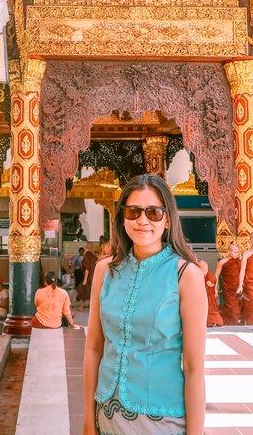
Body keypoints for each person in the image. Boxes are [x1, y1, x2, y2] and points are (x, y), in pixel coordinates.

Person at [84, 174, 206, 435]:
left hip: (162, 420)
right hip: (107, 417)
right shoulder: (105, 270)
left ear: (168, 220)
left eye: (153, 212)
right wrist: (87, 419)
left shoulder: (185, 275)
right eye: (133, 211)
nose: (142, 220)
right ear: (122, 218)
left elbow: (194, 367)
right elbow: (94, 347)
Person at [215, 242, 242, 325]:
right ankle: (231, 323)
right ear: (229, 252)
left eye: (238, 252)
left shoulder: (239, 261)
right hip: (228, 288)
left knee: (237, 307)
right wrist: (215, 288)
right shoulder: (222, 262)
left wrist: (241, 285)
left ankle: (231, 322)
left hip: (238, 287)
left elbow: (242, 273)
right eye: (235, 252)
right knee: (231, 307)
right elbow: (216, 275)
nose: (236, 254)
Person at [200, 260, 223, 327]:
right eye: (202, 270)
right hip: (200, 297)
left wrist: (211, 283)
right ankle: (208, 322)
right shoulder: (196, 275)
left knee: (211, 309)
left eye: (206, 270)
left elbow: (213, 279)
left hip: (209, 297)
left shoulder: (209, 275)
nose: (204, 272)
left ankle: (216, 321)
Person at [76, 242, 99, 310]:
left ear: (86, 247)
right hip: (94, 276)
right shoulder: (94, 255)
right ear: (92, 247)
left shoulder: (87, 255)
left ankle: (81, 307)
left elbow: (87, 268)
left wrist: (85, 279)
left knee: (85, 291)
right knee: (90, 291)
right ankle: (90, 306)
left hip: (89, 277)